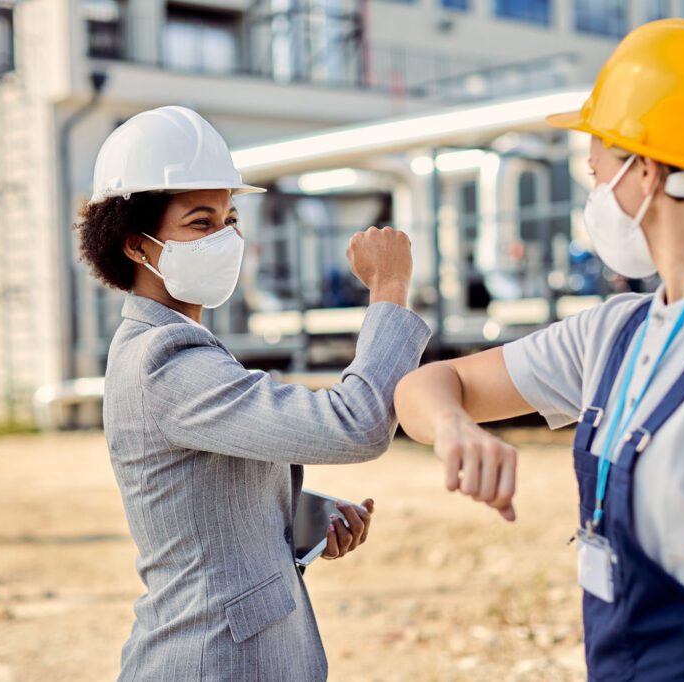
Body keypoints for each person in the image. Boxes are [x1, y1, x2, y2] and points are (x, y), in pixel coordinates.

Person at [395, 19, 684, 681]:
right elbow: (426, 387)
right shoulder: (614, 333)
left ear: (643, 172)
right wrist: (454, 429)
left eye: (596, 164)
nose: (591, 185)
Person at [77, 106, 431, 681]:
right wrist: (389, 289)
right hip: (207, 661)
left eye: (229, 218)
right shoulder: (165, 360)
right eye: (200, 223)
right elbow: (357, 423)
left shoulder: (176, 343)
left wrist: (302, 517)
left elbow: (199, 502)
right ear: (133, 246)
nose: (225, 238)